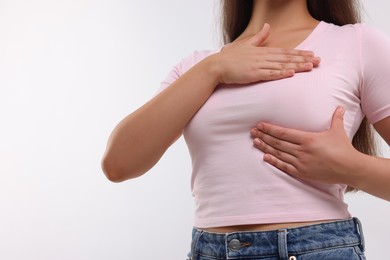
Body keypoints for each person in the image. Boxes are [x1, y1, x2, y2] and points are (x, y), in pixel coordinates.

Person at [101, 0, 390, 259]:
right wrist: (214, 69)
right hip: (208, 250)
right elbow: (118, 163)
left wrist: (351, 167)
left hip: (316, 249)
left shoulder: (358, 44)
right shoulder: (197, 66)